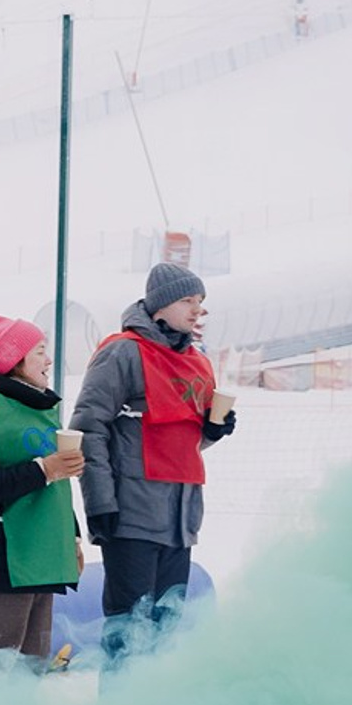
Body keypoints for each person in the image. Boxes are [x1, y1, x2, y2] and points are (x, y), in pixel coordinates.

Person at [72, 261, 236, 664]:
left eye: (201, 301)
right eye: (187, 300)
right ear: (159, 306)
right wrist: (100, 503)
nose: (198, 309)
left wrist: (212, 431)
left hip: (180, 521)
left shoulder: (196, 361)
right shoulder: (122, 352)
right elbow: (88, 429)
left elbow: (179, 440)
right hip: (131, 513)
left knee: (166, 629)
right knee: (129, 630)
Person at [0, 314, 85, 668]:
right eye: (39, 351)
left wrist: (70, 537)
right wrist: (45, 469)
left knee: (31, 669)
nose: (49, 360)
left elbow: (54, 487)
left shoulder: (41, 409)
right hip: (1, 559)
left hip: (42, 556)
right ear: (14, 361)